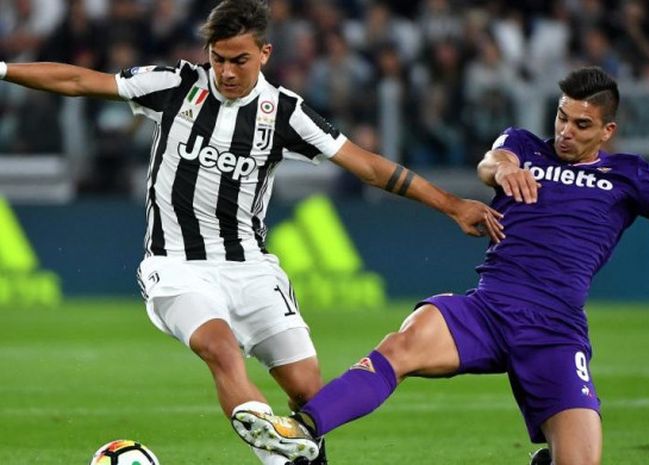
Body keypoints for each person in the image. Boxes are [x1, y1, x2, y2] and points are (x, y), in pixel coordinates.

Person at [0, 1, 503, 465]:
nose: (226, 71)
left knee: (309, 391)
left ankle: (293, 451)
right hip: (176, 266)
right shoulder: (174, 84)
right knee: (219, 348)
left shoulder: (285, 112)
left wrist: (452, 204)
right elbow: (77, 81)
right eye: (217, 59)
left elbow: (368, 166)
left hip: (251, 268)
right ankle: (274, 451)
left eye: (239, 60)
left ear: (265, 53)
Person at [229, 66, 649, 465]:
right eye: (561, 117)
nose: (565, 131)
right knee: (402, 344)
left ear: (607, 131)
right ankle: (302, 432)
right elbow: (492, 160)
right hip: (488, 310)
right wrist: (504, 169)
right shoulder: (525, 147)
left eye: (581, 124)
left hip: (555, 331)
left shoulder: (628, 175)